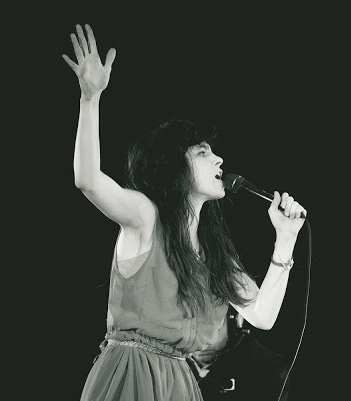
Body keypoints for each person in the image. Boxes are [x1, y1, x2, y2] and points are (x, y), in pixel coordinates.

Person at [63, 24, 307, 400]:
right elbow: (89, 181)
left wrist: (285, 240)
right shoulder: (147, 216)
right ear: (174, 168)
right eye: (202, 152)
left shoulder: (214, 253)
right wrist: (90, 98)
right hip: (134, 372)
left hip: (180, 382)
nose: (219, 159)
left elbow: (263, 315)